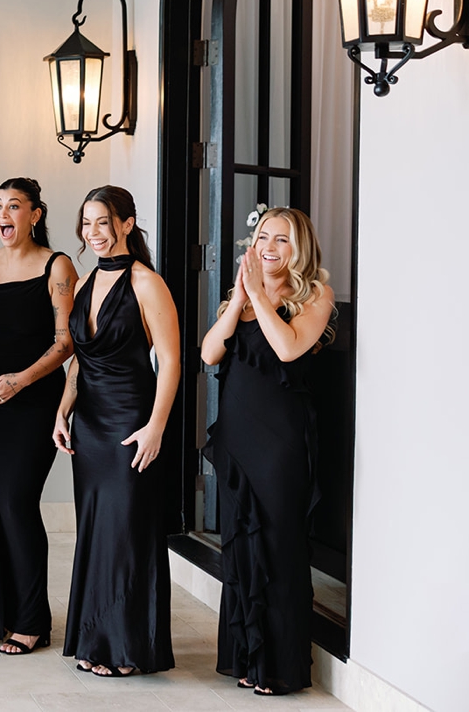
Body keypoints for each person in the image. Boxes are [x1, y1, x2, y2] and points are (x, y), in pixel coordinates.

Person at [201, 207, 334, 695]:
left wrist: (260, 295)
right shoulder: (241, 299)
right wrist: (239, 299)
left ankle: (280, 667)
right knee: (242, 549)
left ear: (298, 248)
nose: (269, 246)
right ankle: (247, 656)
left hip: (280, 444)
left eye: (282, 239)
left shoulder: (314, 295)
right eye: (262, 237)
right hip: (237, 440)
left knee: (278, 547)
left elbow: (287, 351)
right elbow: (209, 352)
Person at [54, 185, 178, 677]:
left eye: (103, 222)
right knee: (98, 531)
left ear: (126, 223)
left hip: (132, 419)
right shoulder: (83, 283)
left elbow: (169, 362)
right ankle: (96, 640)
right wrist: (63, 411)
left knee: (128, 531)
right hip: (89, 425)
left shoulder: (148, 283)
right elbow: (80, 363)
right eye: (86, 224)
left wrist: (156, 428)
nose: (93, 233)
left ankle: (129, 647)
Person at [0, 178, 76, 655]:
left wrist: (18, 381)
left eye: (14, 206)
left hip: (32, 401)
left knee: (14, 503)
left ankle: (32, 621)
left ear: (36, 214)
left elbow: (66, 342)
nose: (3, 214)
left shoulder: (57, 265)